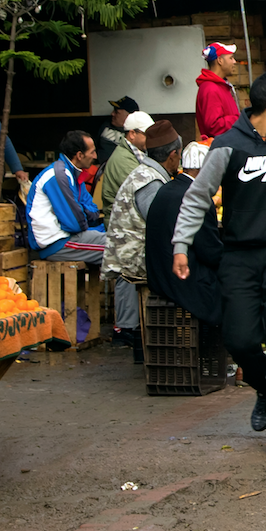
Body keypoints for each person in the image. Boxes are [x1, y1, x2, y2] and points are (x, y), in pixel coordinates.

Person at [173, 71, 266, 456]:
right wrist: (180, 246)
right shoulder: (227, 145)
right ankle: (265, 387)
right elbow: (197, 196)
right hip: (238, 254)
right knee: (239, 338)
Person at [102, 119, 181, 360]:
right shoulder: (150, 182)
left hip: (135, 250)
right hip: (133, 257)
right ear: (173, 155)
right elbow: (162, 228)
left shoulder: (148, 173)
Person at [144, 129, 223, 329]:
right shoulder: (198, 198)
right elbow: (210, 252)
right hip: (183, 280)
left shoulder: (166, 189)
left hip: (158, 275)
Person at [24, 131, 106, 262]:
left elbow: (93, 210)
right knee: (120, 248)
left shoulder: (74, 173)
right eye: (92, 152)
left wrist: (80, 210)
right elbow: (74, 224)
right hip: (56, 244)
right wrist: (80, 211)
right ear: (79, 155)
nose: (95, 156)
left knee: (119, 240)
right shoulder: (59, 176)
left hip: (68, 237)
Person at [94, 111, 153, 211]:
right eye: (147, 134)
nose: (151, 139)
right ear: (132, 134)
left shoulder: (136, 152)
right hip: (121, 222)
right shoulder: (123, 159)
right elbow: (143, 195)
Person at [195, 43, 244, 141]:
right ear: (220, 61)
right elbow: (214, 126)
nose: (234, 62)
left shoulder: (220, 86)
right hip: (221, 151)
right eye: (231, 58)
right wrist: (241, 119)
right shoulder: (210, 89)